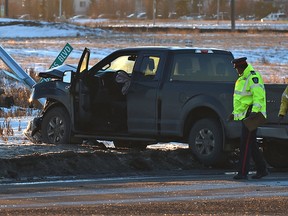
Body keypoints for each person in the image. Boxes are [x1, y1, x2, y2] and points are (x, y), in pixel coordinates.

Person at [229, 57, 268, 180]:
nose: (237, 71)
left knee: (245, 144)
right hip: (247, 115)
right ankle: (262, 169)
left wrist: (254, 112)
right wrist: (234, 114)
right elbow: (242, 100)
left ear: (242, 67)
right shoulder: (243, 78)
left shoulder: (252, 77)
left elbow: (259, 96)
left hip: (252, 115)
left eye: (237, 69)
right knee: (250, 143)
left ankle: (242, 172)